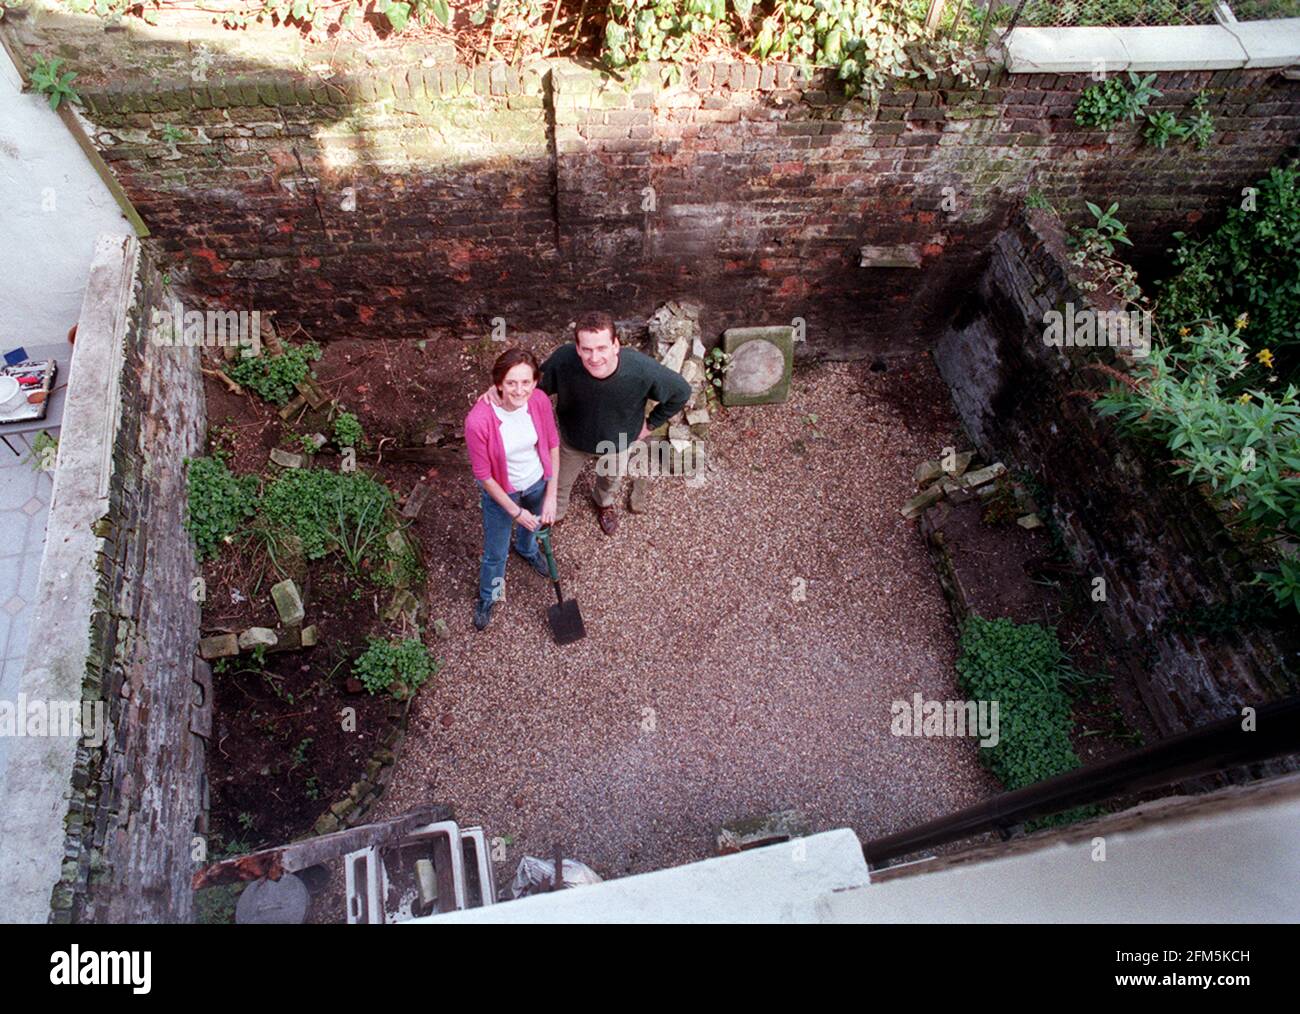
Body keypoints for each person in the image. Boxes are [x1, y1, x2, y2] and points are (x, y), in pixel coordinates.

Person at [489, 310, 692, 536]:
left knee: (610, 480)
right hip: (572, 439)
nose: (594, 357)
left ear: (615, 345)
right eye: (586, 349)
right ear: (577, 348)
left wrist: (651, 424)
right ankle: (555, 515)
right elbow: (533, 388)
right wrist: (501, 391)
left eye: (601, 348)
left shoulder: (642, 370)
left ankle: (603, 503)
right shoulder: (564, 361)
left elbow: (681, 391)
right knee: (558, 483)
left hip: (619, 442)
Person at [464, 347, 560, 631]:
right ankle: (489, 594)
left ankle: (527, 550)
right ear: (498, 384)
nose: (519, 390)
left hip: (537, 483)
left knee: (534, 527)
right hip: (504, 494)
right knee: (495, 551)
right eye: (511, 383)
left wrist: (551, 495)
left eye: (526, 382)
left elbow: (553, 444)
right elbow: (484, 476)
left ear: (535, 382)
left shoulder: (539, 401)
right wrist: (516, 512)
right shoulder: (478, 421)